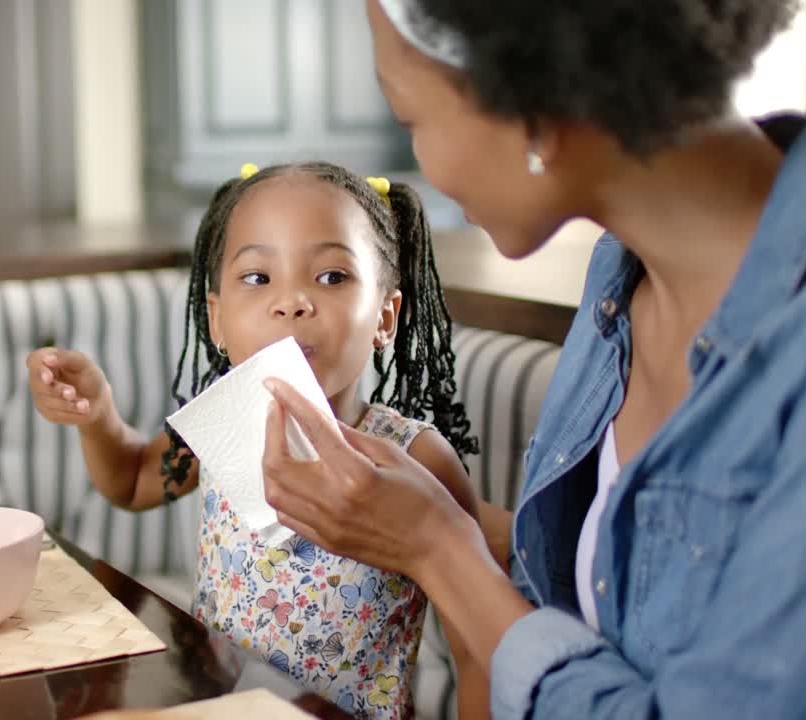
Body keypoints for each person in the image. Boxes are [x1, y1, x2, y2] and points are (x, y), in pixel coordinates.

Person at [261, 0, 806, 718]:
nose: (421, 162)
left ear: (530, 104)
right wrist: (431, 516)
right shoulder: (623, 275)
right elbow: (620, 577)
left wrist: (440, 551)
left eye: (412, 117)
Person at [28, 160, 480, 718]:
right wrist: (97, 416)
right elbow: (132, 479)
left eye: (332, 276)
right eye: (258, 278)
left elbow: (475, 651)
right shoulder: (223, 420)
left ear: (386, 316)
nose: (291, 302)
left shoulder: (416, 459)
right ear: (216, 321)